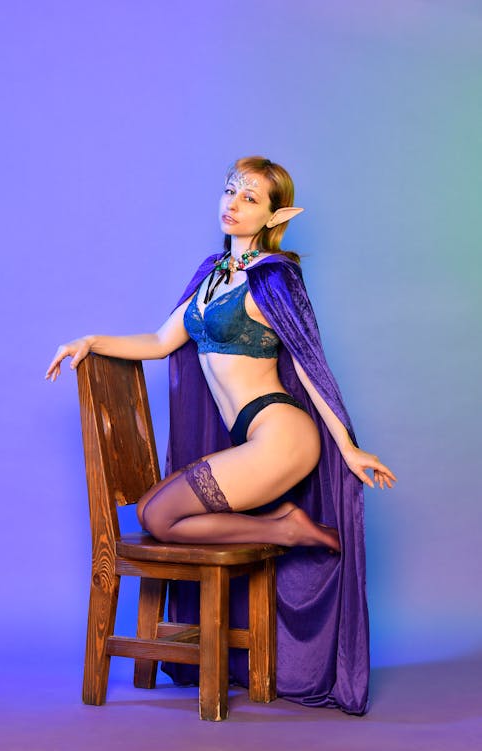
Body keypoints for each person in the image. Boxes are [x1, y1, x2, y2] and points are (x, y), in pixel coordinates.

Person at [46, 156, 396, 714]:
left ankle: (285, 530)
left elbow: (308, 363)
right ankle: (283, 526)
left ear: (277, 214)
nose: (233, 204)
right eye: (230, 191)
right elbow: (161, 342)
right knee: (159, 515)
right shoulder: (212, 276)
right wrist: (89, 340)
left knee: (158, 517)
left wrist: (348, 448)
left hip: (283, 434)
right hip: (258, 441)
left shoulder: (275, 278)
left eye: (250, 198)